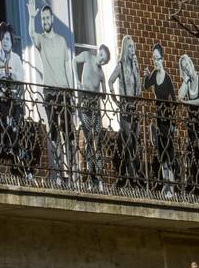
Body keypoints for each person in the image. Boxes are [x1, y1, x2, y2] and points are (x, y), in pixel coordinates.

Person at [29, 0, 75, 182]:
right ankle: (55, 172)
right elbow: (32, 34)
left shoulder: (62, 41)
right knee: (54, 132)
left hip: (64, 92)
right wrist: (32, 17)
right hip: (49, 91)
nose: (46, 21)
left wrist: (72, 91)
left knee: (68, 132)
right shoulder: (41, 39)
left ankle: (71, 173)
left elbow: (67, 67)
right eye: (43, 19)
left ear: (52, 19)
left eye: (47, 18)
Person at [0, 23, 26, 175]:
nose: (5, 42)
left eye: (8, 39)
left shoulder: (16, 58)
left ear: (12, 42)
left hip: (13, 101)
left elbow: (21, 75)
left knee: (14, 131)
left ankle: (22, 166)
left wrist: (11, 75)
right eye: (3, 39)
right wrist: (4, 74)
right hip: (1, 99)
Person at [108, 35, 141, 188]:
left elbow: (139, 91)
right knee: (128, 140)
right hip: (124, 108)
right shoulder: (120, 66)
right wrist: (116, 101)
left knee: (136, 141)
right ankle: (130, 174)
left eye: (133, 47)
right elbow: (110, 81)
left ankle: (135, 174)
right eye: (130, 47)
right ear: (125, 48)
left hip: (134, 107)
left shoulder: (134, 66)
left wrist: (137, 70)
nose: (132, 50)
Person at [144, 43, 177, 194]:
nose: (155, 61)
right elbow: (146, 85)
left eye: (157, 58)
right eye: (153, 59)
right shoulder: (154, 76)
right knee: (161, 151)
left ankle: (171, 183)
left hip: (167, 118)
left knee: (169, 151)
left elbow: (175, 102)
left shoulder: (167, 78)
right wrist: (146, 74)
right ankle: (165, 183)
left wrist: (174, 123)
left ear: (162, 59)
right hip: (158, 117)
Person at [76, 44, 111, 188]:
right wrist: (77, 80)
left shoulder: (102, 73)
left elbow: (104, 93)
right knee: (88, 139)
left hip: (95, 107)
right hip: (84, 103)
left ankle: (98, 173)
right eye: (103, 57)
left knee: (97, 139)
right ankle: (90, 171)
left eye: (105, 61)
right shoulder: (87, 56)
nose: (103, 61)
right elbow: (73, 61)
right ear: (99, 52)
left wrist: (102, 93)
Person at [178, 53, 199, 195]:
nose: (186, 69)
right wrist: (185, 81)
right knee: (193, 153)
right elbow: (179, 96)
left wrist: (187, 102)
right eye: (183, 68)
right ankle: (195, 185)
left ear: (191, 64)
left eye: (187, 65)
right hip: (191, 124)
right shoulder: (188, 82)